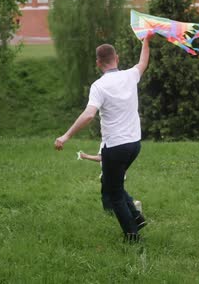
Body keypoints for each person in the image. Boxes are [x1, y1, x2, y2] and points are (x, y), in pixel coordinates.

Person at [55, 34, 152, 243]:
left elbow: (89, 114)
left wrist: (66, 136)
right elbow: (143, 62)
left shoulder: (99, 86)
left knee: (113, 193)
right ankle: (137, 218)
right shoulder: (130, 75)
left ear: (98, 63)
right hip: (135, 144)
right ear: (116, 57)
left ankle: (133, 237)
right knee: (114, 184)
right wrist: (147, 39)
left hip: (115, 147)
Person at [77, 144, 142, 213]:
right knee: (117, 191)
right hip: (119, 172)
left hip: (109, 173)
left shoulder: (106, 142)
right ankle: (128, 206)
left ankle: (111, 211)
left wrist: (85, 156)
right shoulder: (121, 141)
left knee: (107, 194)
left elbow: (101, 158)